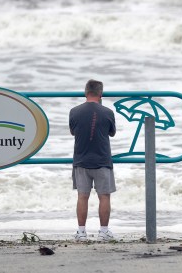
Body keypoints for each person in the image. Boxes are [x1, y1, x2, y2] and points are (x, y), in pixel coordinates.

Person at [69, 79, 117, 242]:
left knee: (83, 196)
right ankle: (104, 231)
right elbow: (112, 133)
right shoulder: (108, 112)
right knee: (104, 196)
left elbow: (73, 132)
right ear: (101, 93)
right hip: (102, 159)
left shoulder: (74, 111)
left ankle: (81, 232)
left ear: (85, 92)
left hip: (81, 159)